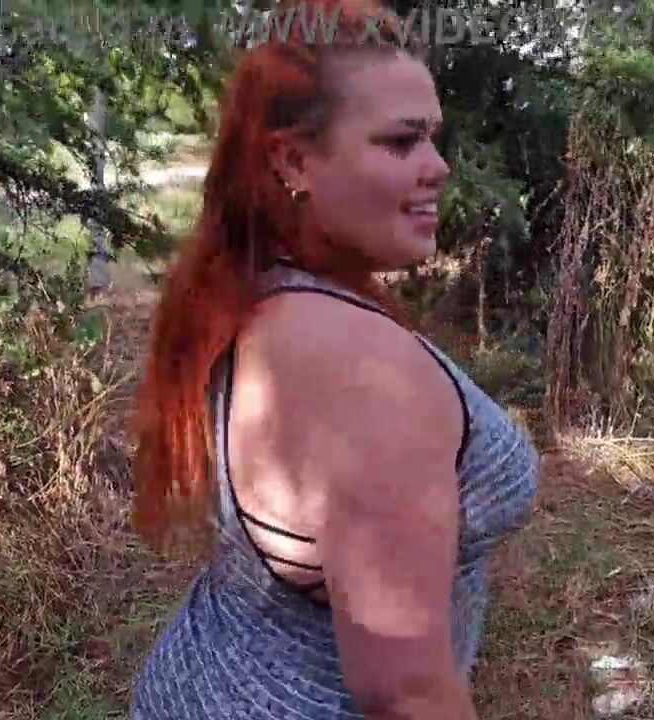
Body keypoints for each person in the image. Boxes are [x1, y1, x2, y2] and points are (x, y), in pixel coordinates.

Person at [126, 1, 539, 718]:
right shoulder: (364, 375)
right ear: (294, 161)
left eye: (433, 138)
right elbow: (407, 693)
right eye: (400, 142)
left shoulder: (257, 293)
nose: (438, 167)